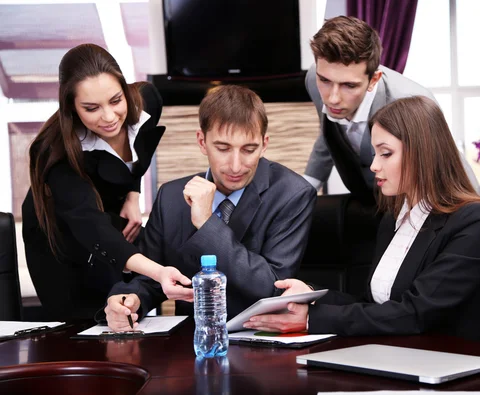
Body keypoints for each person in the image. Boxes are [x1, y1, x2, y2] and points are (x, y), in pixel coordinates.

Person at [243, 96, 480, 345]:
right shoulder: (395, 217)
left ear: (423, 153)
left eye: (385, 153)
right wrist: (310, 295)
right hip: (393, 358)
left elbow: (414, 313)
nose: (373, 165)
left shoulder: (476, 222)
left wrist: (312, 319)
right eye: (374, 153)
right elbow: (373, 304)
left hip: (450, 367)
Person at [103, 85, 317, 332]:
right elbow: (149, 276)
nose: (236, 165)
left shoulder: (293, 194)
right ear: (202, 142)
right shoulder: (171, 196)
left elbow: (273, 287)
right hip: (190, 343)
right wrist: (129, 300)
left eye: (249, 149)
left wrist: (207, 223)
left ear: (264, 144)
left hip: (263, 339)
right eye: (223, 148)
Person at [22, 44, 191, 320]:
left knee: (134, 306)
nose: (110, 117)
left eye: (116, 100)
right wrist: (160, 271)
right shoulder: (56, 154)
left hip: (108, 214)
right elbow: (92, 226)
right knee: (87, 321)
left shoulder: (147, 100)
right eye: (92, 108)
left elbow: (137, 154)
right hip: (62, 238)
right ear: (72, 108)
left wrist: (133, 196)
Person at [303, 16, 480, 199]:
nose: (333, 98)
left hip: (408, 202)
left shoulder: (410, 102)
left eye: (349, 86)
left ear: (373, 80)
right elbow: (330, 134)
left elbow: (446, 163)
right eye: (324, 80)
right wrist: (304, 191)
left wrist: (477, 214)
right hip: (362, 200)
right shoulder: (312, 81)